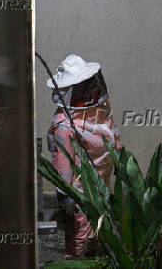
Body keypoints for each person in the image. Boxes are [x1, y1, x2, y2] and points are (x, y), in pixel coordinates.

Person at [47, 54, 120, 258]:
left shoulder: (92, 112)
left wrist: (65, 201)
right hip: (91, 194)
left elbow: (111, 132)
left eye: (88, 85)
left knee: (89, 241)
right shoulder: (71, 123)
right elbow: (63, 168)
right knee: (88, 239)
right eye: (84, 87)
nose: (90, 91)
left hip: (92, 193)